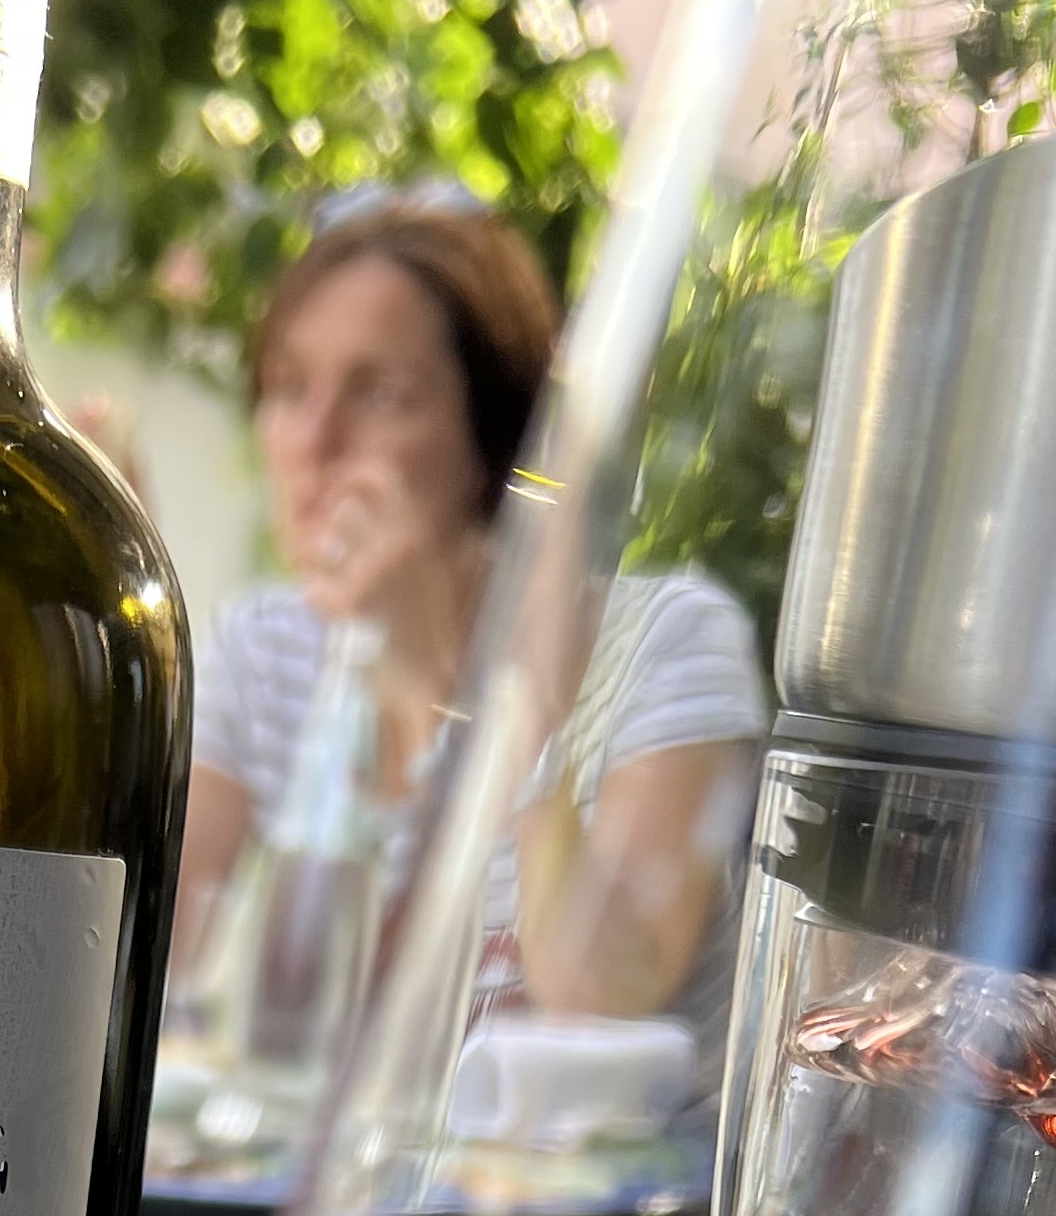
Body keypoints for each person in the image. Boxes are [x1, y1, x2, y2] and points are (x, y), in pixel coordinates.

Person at [179, 192, 767, 1088]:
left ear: (495, 442)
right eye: (290, 388)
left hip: (583, 1183)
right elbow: (155, 961)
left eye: (380, 394)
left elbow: (598, 995)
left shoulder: (670, 644)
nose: (314, 442)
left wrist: (454, 684)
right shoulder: (266, 653)